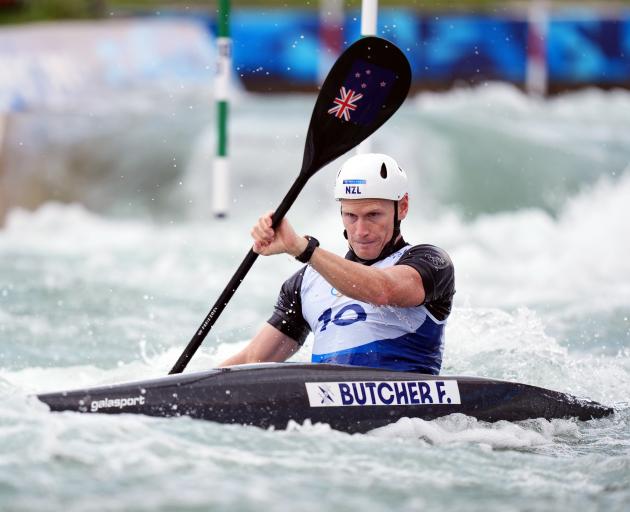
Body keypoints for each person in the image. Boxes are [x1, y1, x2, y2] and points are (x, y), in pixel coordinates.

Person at [220, 153, 455, 374]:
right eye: (351, 216)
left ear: (402, 207)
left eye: (373, 215)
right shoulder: (305, 282)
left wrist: (303, 249)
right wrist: (187, 387)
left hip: (408, 414)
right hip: (323, 405)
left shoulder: (430, 262)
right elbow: (253, 359)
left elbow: (383, 290)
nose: (361, 231)